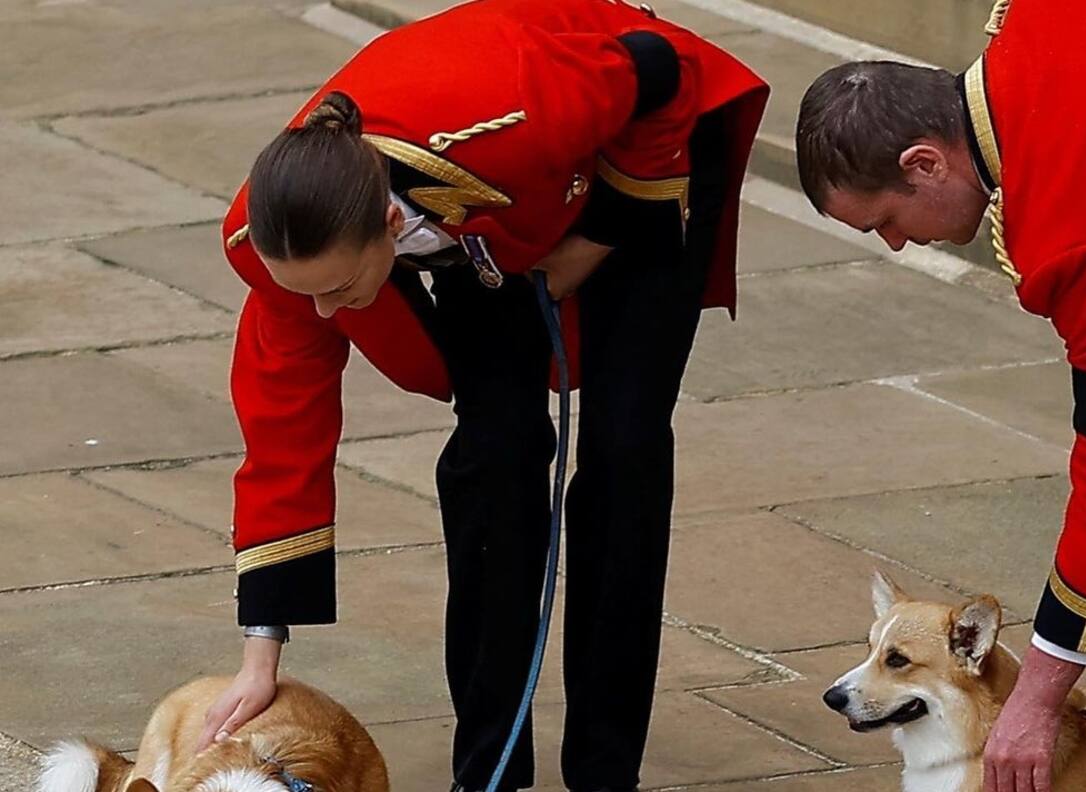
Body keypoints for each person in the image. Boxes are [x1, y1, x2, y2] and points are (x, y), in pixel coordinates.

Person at [200, 1, 769, 790]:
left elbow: (660, 73)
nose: (325, 315)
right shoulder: (285, 248)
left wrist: (596, 238)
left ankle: (606, 770)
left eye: (337, 289)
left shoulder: (512, 115)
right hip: (493, 213)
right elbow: (281, 445)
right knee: (494, 456)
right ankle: (489, 771)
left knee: (624, 447)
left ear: (387, 230)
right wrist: (261, 656)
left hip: (640, 144)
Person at [793, 1, 1086, 790]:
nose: (898, 243)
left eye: (886, 222)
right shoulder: (1036, 19)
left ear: (924, 162)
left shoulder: (1076, 235)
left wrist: (1035, 703)